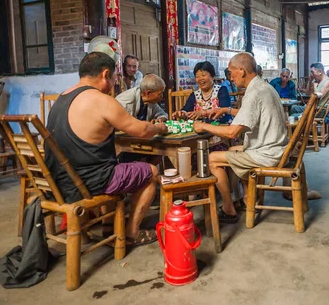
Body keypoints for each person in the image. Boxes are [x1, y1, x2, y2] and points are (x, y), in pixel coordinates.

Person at [45, 52, 167, 246]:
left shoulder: (61, 98)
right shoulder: (101, 100)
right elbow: (142, 130)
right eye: (113, 78)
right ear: (105, 74)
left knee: (113, 164)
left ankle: (109, 228)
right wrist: (159, 128)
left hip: (58, 182)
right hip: (88, 183)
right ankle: (131, 233)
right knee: (151, 172)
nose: (113, 84)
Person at [193, 52, 288, 223]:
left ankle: (229, 209)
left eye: (231, 72)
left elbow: (232, 132)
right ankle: (247, 198)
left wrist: (202, 126)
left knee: (212, 158)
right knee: (231, 149)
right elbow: (252, 113)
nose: (230, 76)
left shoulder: (253, 93)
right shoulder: (263, 86)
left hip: (266, 153)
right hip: (276, 147)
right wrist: (226, 110)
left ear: (242, 71)